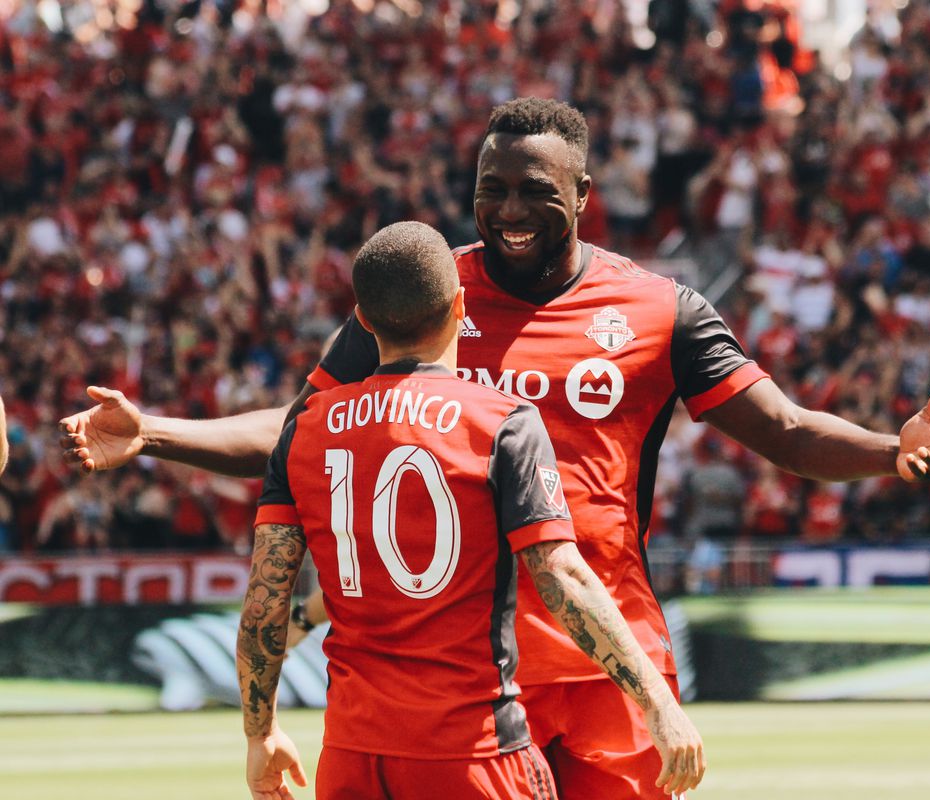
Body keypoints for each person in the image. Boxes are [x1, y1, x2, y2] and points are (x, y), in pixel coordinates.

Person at [63, 98, 930, 798]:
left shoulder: (658, 310)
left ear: (583, 196)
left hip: (606, 662)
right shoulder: (427, 294)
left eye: (535, 193)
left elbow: (782, 429)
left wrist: (884, 450)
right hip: (470, 683)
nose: (508, 211)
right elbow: (304, 432)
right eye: (490, 190)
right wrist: (154, 433)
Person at [237, 221, 703, 800]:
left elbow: (264, 600)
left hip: (353, 755)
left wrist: (261, 733)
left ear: (362, 319)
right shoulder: (500, 421)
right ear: (460, 305)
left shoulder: (305, 430)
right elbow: (561, 573)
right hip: (475, 753)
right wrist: (657, 703)